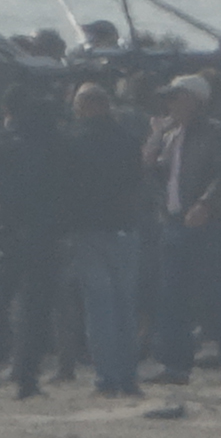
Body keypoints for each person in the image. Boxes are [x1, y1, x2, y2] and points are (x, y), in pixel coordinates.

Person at [142, 74, 221, 386]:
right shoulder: (172, 136)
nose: (171, 103)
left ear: (195, 100)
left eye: (177, 97)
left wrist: (206, 203)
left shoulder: (216, 133)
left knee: (217, 296)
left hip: (207, 226)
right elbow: (157, 171)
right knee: (172, 297)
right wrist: (154, 141)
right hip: (174, 223)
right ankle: (176, 366)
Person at [0, 84, 67, 399]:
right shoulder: (56, 147)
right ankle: (27, 379)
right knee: (35, 311)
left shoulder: (2, 146)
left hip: (9, 234)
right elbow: (69, 192)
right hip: (46, 236)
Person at [63, 83, 144, 397]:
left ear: (85, 106)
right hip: (125, 227)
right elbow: (138, 181)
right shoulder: (127, 140)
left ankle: (106, 377)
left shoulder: (75, 140)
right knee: (125, 306)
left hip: (89, 229)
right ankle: (128, 376)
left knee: (99, 307)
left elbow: (67, 186)